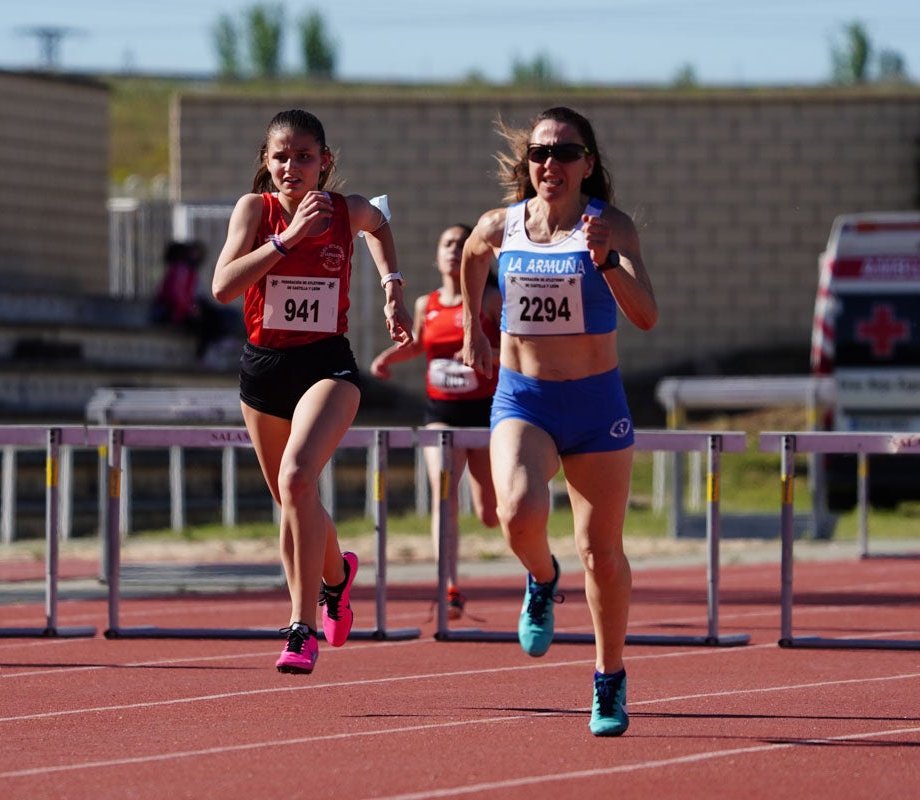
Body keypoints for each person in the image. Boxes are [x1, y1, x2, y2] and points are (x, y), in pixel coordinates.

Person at [459, 106, 659, 736]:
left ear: (587, 165)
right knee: (516, 510)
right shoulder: (504, 224)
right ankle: (542, 578)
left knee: (601, 553)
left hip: (597, 406)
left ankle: (609, 679)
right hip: (526, 399)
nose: (551, 165)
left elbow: (647, 315)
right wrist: (474, 329)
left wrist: (605, 262)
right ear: (529, 164)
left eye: (566, 154)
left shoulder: (612, 227)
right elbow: (471, 252)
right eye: (540, 154)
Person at [211, 108, 413, 675]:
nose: (292, 166)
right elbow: (223, 287)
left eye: (304, 156)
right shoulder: (256, 211)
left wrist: (392, 288)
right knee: (291, 499)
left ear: (325, 162)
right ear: (266, 162)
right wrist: (288, 238)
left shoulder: (346, 211)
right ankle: (338, 576)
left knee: (298, 477)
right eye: (281, 157)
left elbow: (381, 225)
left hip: (327, 365)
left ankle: (301, 628)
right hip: (264, 370)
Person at [369, 223, 501, 619]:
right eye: (447, 244)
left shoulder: (491, 299)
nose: (454, 250)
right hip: (440, 415)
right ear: (437, 256)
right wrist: (387, 358)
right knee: (444, 499)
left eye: (463, 244)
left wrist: (485, 350)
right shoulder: (428, 303)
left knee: (491, 511)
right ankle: (449, 586)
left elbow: (516, 347)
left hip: (486, 413)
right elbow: (420, 343)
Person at [150, 239, 228, 360]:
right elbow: (178, 296)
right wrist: (192, 311)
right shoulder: (181, 269)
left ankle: (212, 347)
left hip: (179, 310)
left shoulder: (188, 271)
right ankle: (204, 354)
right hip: (172, 312)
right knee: (206, 320)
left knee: (212, 313)